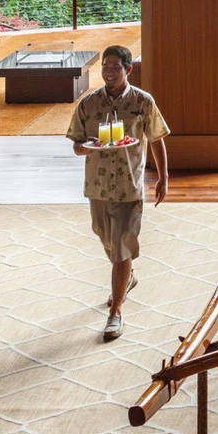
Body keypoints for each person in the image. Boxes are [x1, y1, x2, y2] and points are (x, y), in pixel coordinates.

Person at [67, 44, 168, 341]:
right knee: (105, 237)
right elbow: (76, 145)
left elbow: (158, 138)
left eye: (115, 68)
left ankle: (116, 312)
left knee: (122, 247)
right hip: (97, 185)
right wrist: (86, 146)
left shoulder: (143, 102)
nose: (109, 73)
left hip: (129, 186)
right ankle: (128, 276)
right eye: (106, 68)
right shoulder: (88, 104)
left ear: (128, 70)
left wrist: (163, 177)